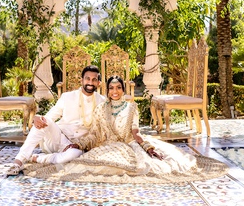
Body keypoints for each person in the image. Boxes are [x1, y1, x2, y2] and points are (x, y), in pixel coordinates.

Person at [23, 75, 228, 183]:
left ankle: (39, 158)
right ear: (107, 90)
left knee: (149, 165)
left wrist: (146, 147)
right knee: (84, 163)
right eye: (111, 88)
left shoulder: (131, 107)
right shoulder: (101, 108)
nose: (115, 91)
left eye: (118, 88)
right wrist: (80, 144)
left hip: (128, 144)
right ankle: (37, 158)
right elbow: (95, 133)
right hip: (104, 145)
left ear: (123, 89)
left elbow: (135, 131)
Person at [7, 65, 106, 175]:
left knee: (74, 155)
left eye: (94, 79)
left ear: (98, 83)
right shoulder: (67, 97)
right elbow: (50, 117)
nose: (90, 82)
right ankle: (19, 161)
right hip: (58, 138)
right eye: (87, 79)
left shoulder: (102, 101)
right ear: (81, 80)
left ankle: (39, 158)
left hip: (76, 146)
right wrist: (38, 118)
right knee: (44, 121)